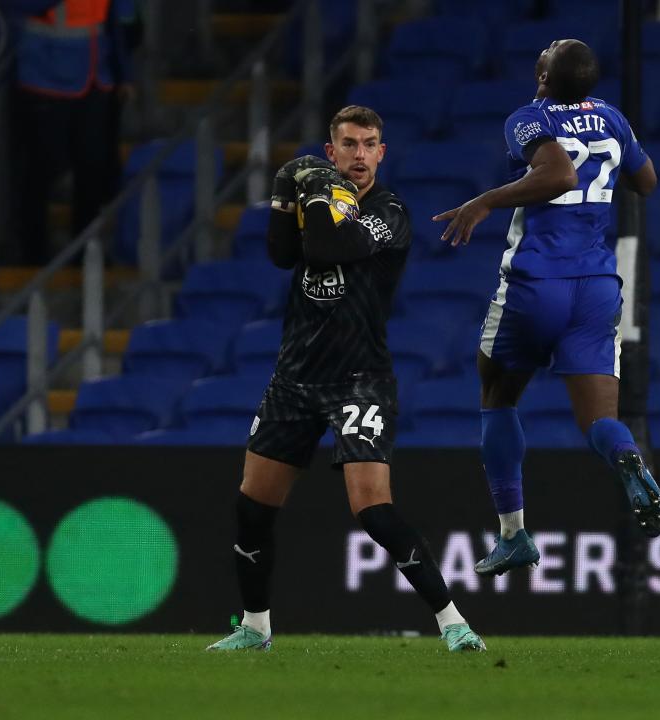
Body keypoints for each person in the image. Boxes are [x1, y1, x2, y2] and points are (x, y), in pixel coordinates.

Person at [207, 106, 485, 653]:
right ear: (331, 152)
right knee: (252, 507)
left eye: (370, 144)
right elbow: (283, 254)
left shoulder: (390, 211)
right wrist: (288, 198)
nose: (360, 155)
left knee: (374, 510)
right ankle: (255, 627)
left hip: (360, 378)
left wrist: (311, 194)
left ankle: (452, 620)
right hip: (295, 376)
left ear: (383, 152)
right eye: (350, 144)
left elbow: (330, 247)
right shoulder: (322, 196)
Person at [432, 39, 660, 578]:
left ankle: (513, 534)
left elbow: (558, 174)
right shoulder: (611, 116)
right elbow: (646, 182)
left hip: (538, 283)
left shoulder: (527, 117)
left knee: (497, 394)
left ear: (542, 76)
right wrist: (609, 157)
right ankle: (628, 459)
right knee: (600, 420)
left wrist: (483, 200)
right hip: (597, 286)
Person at [3, 0, 137, 265]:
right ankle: (33, 254)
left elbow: (112, 21)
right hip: (43, 75)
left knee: (93, 169)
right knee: (40, 169)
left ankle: (84, 254)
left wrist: (124, 74)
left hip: (96, 75)